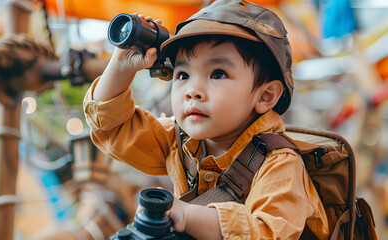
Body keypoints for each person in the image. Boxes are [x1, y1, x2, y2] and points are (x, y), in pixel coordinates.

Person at [83, 0, 329, 239]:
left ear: (265, 96)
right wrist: (120, 67)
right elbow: (114, 126)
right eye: (183, 75)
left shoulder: (280, 165)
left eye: (218, 73)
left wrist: (188, 216)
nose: (192, 90)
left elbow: (265, 232)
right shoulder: (178, 140)